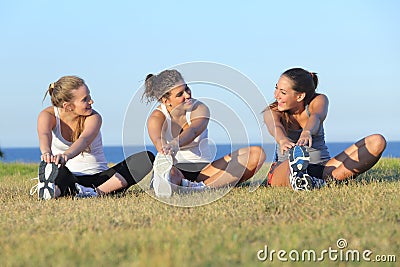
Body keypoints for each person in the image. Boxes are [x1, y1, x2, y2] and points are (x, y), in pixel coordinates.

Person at [142, 69, 266, 197]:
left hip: (205, 171)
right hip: (176, 170)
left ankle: (198, 188)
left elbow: (193, 130)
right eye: (180, 94)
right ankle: (171, 181)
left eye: (187, 89)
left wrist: (174, 143)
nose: (187, 95)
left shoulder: (200, 108)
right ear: (165, 100)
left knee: (257, 154)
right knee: (171, 175)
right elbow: (158, 140)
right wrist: (165, 148)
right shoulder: (157, 117)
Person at [31, 75, 154, 200]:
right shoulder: (48, 115)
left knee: (146, 158)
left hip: (102, 180)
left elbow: (84, 140)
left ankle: (94, 193)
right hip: (70, 177)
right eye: (85, 99)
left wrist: (66, 155)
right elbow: (44, 134)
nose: (91, 101)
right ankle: (54, 190)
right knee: (58, 171)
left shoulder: (94, 118)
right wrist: (46, 152)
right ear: (68, 106)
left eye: (89, 96)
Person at [263, 67, 386, 190]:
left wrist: (307, 132)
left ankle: (321, 181)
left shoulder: (318, 100)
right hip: (284, 169)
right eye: (276, 88)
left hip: (323, 167)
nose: (276, 95)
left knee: (377, 141)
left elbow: (317, 116)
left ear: (300, 96)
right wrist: (282, 140)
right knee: (289, 166)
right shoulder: (273, 111)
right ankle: (299, 176)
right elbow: (275, 126)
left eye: (283, 92)